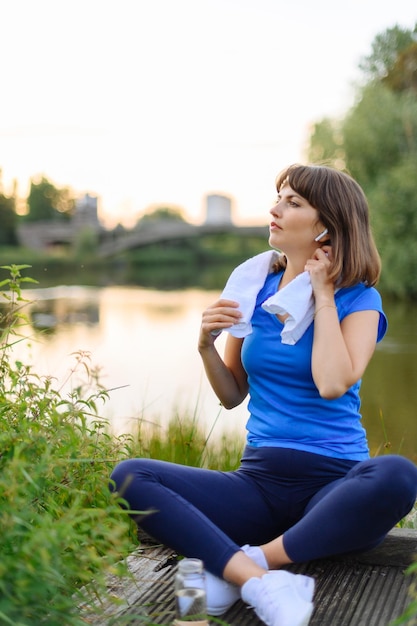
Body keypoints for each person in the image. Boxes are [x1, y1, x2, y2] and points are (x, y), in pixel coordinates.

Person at [110, 164, 417, 626]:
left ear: (327, 225)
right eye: (278, 197)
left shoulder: (360, 300)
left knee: (397, 475)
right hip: (258, 482)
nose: (274, 209)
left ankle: (243, 565)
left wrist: (324, 295)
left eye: (293, 202)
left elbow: (332, 383)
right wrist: (204, 346)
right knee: (130, 475)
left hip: (334, 488)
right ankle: (259, 581)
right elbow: (232, 395)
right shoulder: (253, 288)